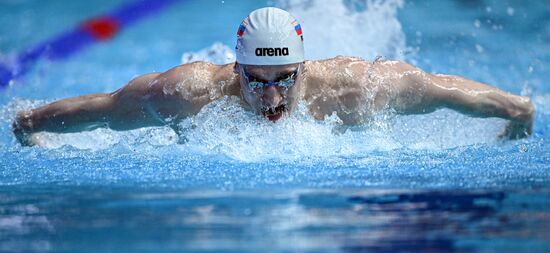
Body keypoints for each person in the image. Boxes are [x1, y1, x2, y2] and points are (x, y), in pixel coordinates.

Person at [13, 7, 534, 146]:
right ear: (234, 68)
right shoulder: (188, 93)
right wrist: (30, 121)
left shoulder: (354, 88)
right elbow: (104, 112)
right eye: (255, 79)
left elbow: (441, 89)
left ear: (304, 67)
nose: (271, 95)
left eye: (284, 77)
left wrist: (516, 111)